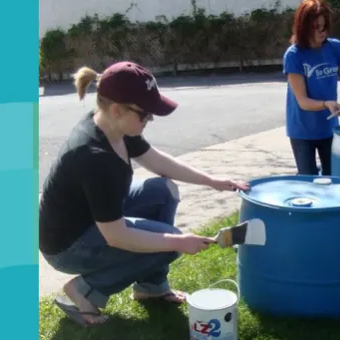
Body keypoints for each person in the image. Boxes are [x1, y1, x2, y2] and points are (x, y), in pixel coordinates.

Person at [38, 61, 249, 326]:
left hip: (92, 222)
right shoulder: (94, 158)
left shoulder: (114, 125)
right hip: (68, 246)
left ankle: (151, 286)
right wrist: (177, 242)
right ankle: (85, 290)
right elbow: (116, 236)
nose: (149, 119)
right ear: (117, 109)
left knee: (163, 191)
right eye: (145, 114)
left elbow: (157, 161)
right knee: (169, 242)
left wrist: (213, 181)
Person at [283, 0, 340, 176]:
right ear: (303, 27)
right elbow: (303, 102)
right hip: (302, 131)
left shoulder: (336, 48)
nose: (321, 32)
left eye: (324, 27)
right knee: (309, 181)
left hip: (330, 129)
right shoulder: (293, 55)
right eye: (316, 27)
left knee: (334, 177)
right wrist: (327, 104)